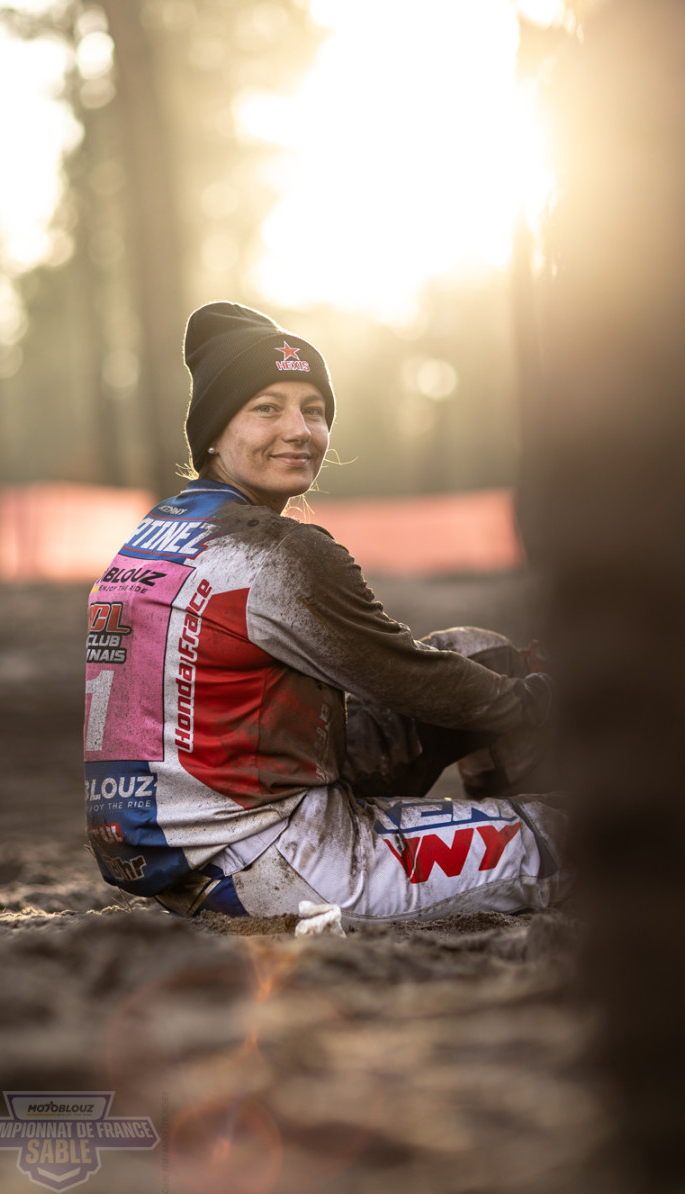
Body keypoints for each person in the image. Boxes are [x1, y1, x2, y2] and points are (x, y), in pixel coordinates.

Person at [83, 301, 566, 924]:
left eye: (313, 410)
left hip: (165, 846)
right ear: (213, 433)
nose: (299, 430)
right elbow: (408, 679)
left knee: (478, 655)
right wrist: (542, 702)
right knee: (577, 834)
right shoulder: (278, 551)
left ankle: (514, 814)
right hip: (271, 858)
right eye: (267, 408)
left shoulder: (154, 532)